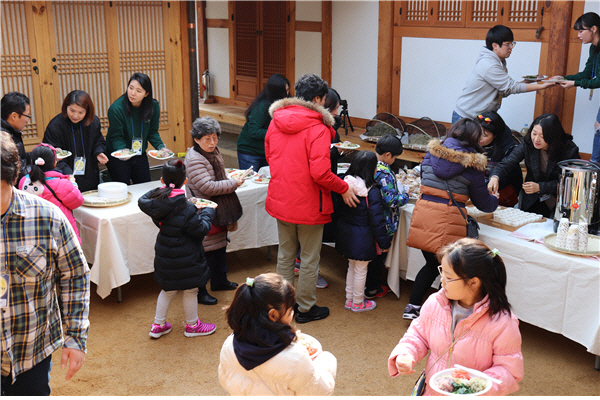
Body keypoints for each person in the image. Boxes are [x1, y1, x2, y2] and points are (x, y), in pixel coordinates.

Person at [0, 131, 90, 395]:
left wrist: (75, 338)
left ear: (13, 177)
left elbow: (75, 275)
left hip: (34, 349)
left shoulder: (47, 217)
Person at [265, 73, 359, 324]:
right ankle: (305, 308)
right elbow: (320, 173)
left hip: (281, 197)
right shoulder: (318, 128)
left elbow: (270, 156)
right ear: (318, 98)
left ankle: (281, 306)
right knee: (308, 258)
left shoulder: (276, 120)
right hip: (309, 203)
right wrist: (343, 188)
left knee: (285, 255)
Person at [388, 238, 524, 396]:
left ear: (473, 282)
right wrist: (406, 352)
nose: (442, 281)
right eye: (442, 272)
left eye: (449, 277)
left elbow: (509, 370)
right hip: (432, 391)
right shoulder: (435, 303)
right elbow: (418, 334)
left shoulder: (503, 323)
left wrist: (472, 387)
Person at [404, 118, 499, 320]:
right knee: (450, 270)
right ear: (474, 138)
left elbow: (426, 178)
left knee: (431, 264)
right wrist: (494, 201)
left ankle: (412, 307)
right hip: (449, 218)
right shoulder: (473, 163)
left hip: (425, 213)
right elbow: (483, 202)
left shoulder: (431, 152)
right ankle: (442, 315)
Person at [218, 273, 337, 395]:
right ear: (273, 315)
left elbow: (224, 379)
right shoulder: (296, 358)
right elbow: (321, 391)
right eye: (290, 311)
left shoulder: (229, 344)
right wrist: (325, 360)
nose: (292, 314)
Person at [138, 159, 217, 338]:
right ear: (186, 181)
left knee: (167, 290)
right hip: (187, 256)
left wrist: (163, 188)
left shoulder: (157, 203)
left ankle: (158, 325)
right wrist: (207, 210)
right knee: (191, 290)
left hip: (165, 254)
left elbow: (147, 202)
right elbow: (201, 230)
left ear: (161, 180)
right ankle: (192, 326)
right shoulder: (186, 207)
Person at [184, 117, 243, 306]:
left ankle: (219, 281)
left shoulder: (212, 152)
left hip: (217, 210)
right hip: (203, 211)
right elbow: (207, 187)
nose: (213, 142)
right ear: (196, 139)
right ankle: (201, 292)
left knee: (219, 249)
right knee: (204, 253)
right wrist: (233, 183)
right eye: (207, 139)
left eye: (215, 137)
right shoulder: (194, 159)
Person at [453, 25, 554, 123]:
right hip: (466, 118)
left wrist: (529, 81)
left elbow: (503, 91)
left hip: (481, 118)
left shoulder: (499, 62)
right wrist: (542, 86)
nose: (511, 47)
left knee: (504, 136)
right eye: (507, 44)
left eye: (512, 43)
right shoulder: (489, 64)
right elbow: (510, 87)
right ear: (495, 46)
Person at [488, 113, 580, 218]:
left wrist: (540, 187)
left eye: (542, 136)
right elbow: (508, 162)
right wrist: (495, 177)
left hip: (559, 200)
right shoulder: (528, 143)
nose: (536, 139)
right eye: (534, 133)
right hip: (532, 199)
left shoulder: (568, 150)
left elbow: (571, 182)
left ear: (553, 136)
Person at [335, 151, 391, 312]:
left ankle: (349, 299)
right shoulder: (372, 191)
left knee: (352, 267)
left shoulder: (344, 184)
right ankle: (358, 302)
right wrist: (384, 242)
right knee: (361, 270)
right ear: (372, 169)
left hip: (347, 234)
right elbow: (377, 220)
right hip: (363, 238)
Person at [550, 12, 600, 163]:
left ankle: (594, 165)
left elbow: (598, 81)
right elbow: (586, 74)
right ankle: (594, 165)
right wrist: (564, 78)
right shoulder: (594, 48)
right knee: (598, 129)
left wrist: (574, 84)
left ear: (594, 29)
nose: (578, 35)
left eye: (581, 31)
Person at [106, 72, 170, 184]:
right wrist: (123, 150)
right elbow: (116, 137)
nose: (132, 93)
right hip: (119, 153)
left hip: (139, 153)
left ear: (146, 94)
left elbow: (152, 132)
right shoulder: (116, 109)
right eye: (130, 88)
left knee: (143, 186)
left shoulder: (153, 106)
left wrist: (161, 147)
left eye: (138, 90)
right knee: (123, 188)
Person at [364, 134, 408, 299]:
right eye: (395, 156)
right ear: (388, 154)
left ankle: (369, 285)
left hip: (369, 218)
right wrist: (405, 195)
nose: (395, 160)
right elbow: (391, 201)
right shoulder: (384, 173)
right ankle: (372, 289)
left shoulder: (369, 163)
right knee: (378, 257)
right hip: (384, 221)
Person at [42, 90, 108, 192]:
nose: (75, 116)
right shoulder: (56, 125)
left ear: (87, 111)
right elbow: (50, 152)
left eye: (81, 112)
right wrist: (67, 173)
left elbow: (98, 140)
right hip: (65, 176)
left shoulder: (93, 122)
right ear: (66, 107)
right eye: (72, 110)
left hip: (89, 172)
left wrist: (98, 152)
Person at [18, 143, 84, 242]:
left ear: (31, 161)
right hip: (61, 232)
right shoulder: (62, 184)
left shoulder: (23, 181)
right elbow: (77, 201)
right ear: (55, 163)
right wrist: (73, 184)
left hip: (35, 232)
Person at [237, 73, 290, 171]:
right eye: (284, 91)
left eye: (288, 90)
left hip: (267, 151)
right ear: (276, 91)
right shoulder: (262, 105)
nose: (287, 94)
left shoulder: (286, 103)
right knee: (250, 182)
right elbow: (253, 131)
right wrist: (277, 132)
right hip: (250, 150)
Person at [475, 111, 522, 207]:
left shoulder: (508, 149)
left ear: (495, 135)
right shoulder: (472, 143)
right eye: (477, 132)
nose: (479, 138)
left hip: (501, 197)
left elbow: (505, 178)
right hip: (476, 194)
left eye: (485, 135)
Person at [1, 92, 31, 176]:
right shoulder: (4, 139)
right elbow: (21, 174)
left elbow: (22, 158)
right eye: (27, 116)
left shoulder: (11, 130)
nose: (27, 120)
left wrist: (42, 153)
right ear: (14, 116)